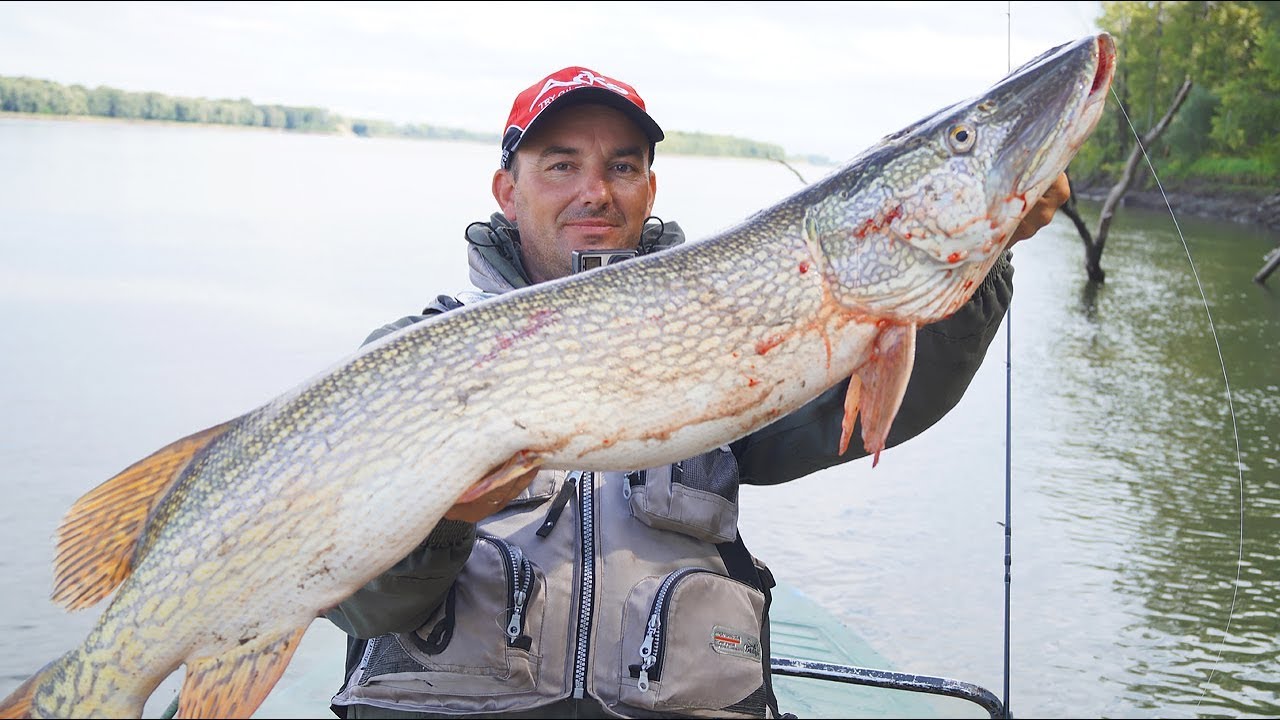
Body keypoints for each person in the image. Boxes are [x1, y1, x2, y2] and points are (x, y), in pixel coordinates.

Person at [325, 66, 1070, 719]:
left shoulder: (735, 335)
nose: (596, 191)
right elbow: (363, 602)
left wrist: (979, 258)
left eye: (622, 166)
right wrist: (443, 521)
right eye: (560, 165)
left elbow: (859, 412)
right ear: (507, 191)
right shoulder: (414, 356)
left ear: (650, 187)